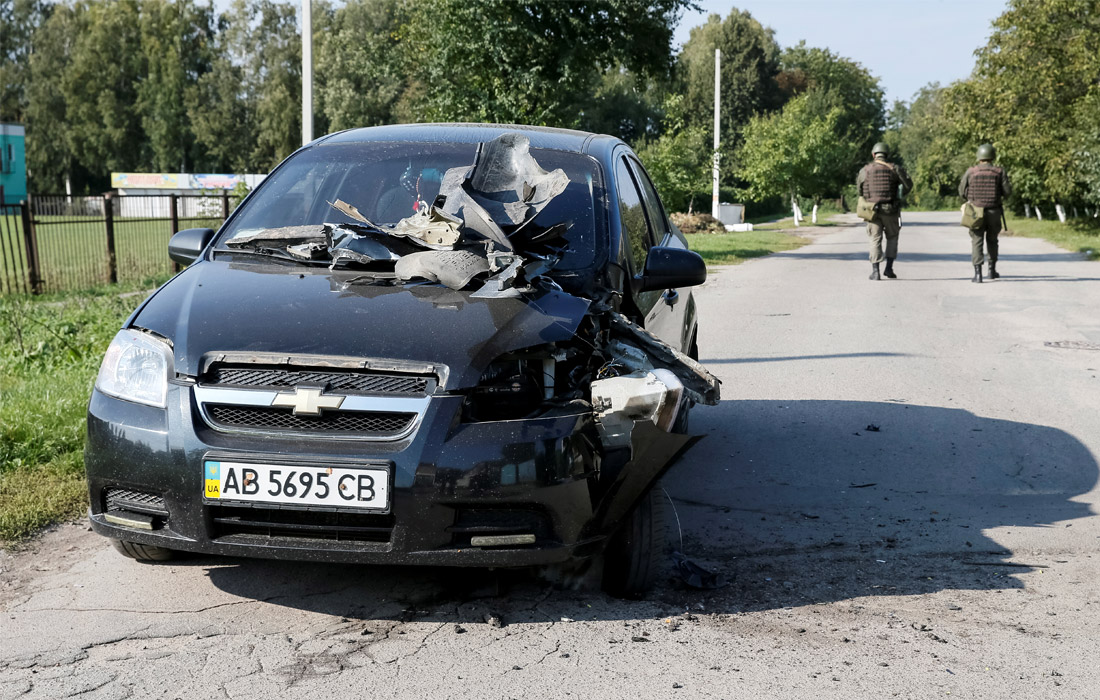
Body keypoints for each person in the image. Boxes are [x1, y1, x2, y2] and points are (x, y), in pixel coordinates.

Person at [856, 142, 913, 280]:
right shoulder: (895, 169)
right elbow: (908, 186)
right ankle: (889, 269)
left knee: (874, 239)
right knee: (892, 238)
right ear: (887, 154)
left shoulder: (865, 170)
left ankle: (875, 272)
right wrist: (898, 194)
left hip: (872, 211)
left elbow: (859, 190)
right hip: (891, 210)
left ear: (873, 155)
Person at [959, 143, 1011, 283]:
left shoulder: (971, 171)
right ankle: (992, 271)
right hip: (994, 210)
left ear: (979, 156)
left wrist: (971, 199)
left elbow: (961, 191)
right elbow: (1007, 192)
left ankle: (978, 275)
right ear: (992, 156)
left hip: (975, 212)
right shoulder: (999, 172)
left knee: (977, 241)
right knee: (992, 240)